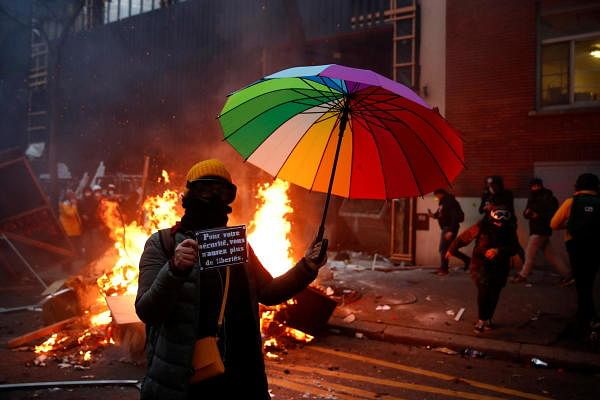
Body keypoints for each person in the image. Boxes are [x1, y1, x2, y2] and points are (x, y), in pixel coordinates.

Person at [135, 159, 327, 400]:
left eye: (221, 192)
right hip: (186, 380)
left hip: (240, 379)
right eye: (205, 189)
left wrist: (306, 267)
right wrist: (174, 269)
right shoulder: (162, 243)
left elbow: (268, 292)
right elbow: (147, 310)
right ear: (190, 194)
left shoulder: (236, 246)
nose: (213, 197)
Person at [447, 205, 519, 333]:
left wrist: (498, 251)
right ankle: (482, 319)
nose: (500, 224)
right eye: (497, 221)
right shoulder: (482, 226)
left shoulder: (510, 229)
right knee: (484, 291)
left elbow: (514, 247)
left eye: (502, 222)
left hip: (500, 267)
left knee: (494, 293)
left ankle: (489, 317)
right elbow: (465, 237)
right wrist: (452, 249)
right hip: (480, 265)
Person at [551, 173, 600, 337]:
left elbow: (554, 224)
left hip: (575, 245)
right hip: (595, 245)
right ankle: (585, 313)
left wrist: (571, 224)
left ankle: (589, 316)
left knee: (581, 282)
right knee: (589, 280)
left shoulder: (571, 202)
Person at [512, 178, 572, 285]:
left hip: (541, 230)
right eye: (532, 186)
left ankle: (523, 275)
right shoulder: (532, 197)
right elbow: (526, 213)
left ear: (541, 185)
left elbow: (552, 216)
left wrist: (538, 216)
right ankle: (567, 274)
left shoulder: (549, 198)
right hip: (536, 229)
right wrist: (527, 213)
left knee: (529, 253)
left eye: (536, 186)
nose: (534, 188)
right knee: (552, 256)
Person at [479, 175, 525, 264]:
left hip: (506, 223)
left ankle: (525, 263)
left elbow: (508, 207)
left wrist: (494, 207)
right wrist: (485, 207)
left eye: (492, 185)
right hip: (490, 224)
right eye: (489, 185)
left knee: (513, 243)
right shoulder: (486, 195)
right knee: (488, 243)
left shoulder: (507, 193)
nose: (490, 187)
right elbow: (480, 210)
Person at [428, 188, 470, 275]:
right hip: (446, 228)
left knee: (443, 248)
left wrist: (451, 230)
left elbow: (454, 216)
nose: (436, 197)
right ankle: (468, 260)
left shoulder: (449, 202)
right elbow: (441, 213)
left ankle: (444, 269)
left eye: (436, 195)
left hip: (449, 228)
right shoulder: (443, 202)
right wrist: (433, 215)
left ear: (440, 194)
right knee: (450, 249)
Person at [58, 189, 82, 273]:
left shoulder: (69, 204)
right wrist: (74, 205)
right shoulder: (65, 204)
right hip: (68, 231)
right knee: (68, 249)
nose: (73, 197)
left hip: (74, 230)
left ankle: (69, 267)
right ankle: (66, 267)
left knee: (72, 249)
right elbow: (71, 214)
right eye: (72, 195)